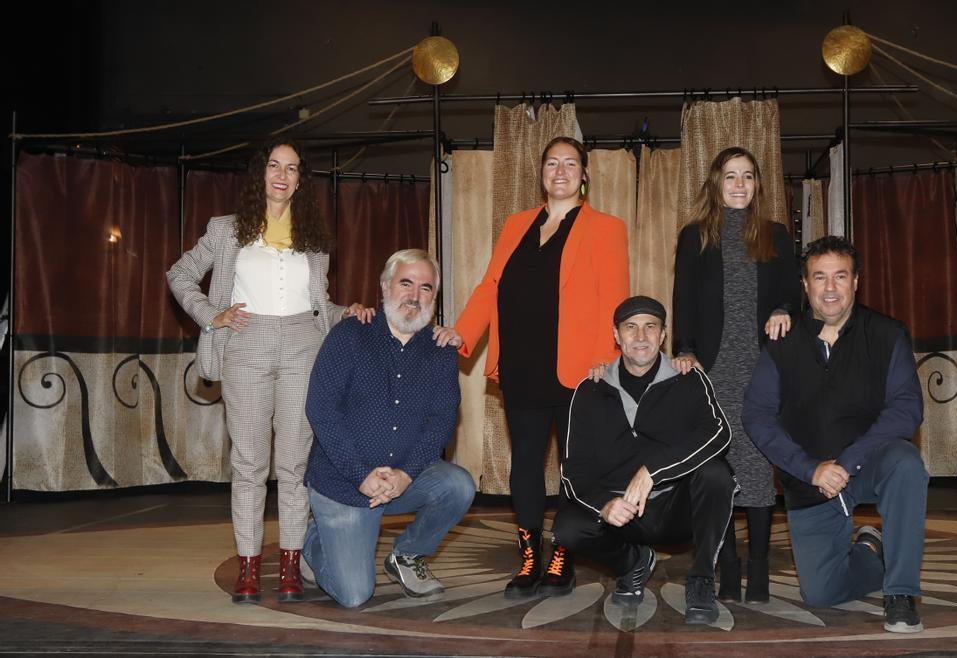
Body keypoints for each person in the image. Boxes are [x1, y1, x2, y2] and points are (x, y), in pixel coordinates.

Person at [166, 138, 372, 604]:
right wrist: (210, 313)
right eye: (275, 166)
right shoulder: (226, 229)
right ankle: (248, 567)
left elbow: (317, 307)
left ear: (301, 180)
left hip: (304, 346)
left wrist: (348, 312)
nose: (283, 175)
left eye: (293, 169)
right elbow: (179, 274)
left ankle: (290, 566)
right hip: (246, 344)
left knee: (294, 465)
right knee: (249, 463)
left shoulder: (313, 239)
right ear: (261, 174)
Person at [433, 136, 629, 599]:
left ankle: (563, 553)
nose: (560, 170)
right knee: (524, 466)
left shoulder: (606, 227)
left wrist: (612, 361)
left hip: (582, 371)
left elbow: (617, 298)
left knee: (572, 468)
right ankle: (528, 556)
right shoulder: (516, 224)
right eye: (551, 163)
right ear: (541, 173)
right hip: (521, 365)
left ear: (584, 175)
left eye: (570, 164)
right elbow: (490, 285)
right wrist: (463, 331)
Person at [742, 235, 928, 633]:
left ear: (856, 281)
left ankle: (901, 593)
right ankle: (872, 551)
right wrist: (810, 469)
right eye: (819, 277)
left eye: (840, 277)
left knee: (907, 465)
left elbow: (907, 409)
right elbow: (757, 416)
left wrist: (848, 460)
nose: (830, 289)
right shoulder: (781, 342)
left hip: (869, 464)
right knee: (821, 594)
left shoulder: (886, 334)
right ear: (805, 285)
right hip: (811, 479)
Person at [300, 249, 475, 608]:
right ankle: (316, 543)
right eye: (405, 283)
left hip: (399, 481)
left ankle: (408, 555)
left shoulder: (441, 350)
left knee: (458, 485)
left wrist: (406, 475)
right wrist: (361, 475)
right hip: (344, 484)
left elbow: (441, 420)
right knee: (354, 595)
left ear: (434, 297)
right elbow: (320, 410)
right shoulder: (349, 335)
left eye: (425, 288)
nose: (414, 296)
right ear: (384, 286)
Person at [554, 295, 735, 625]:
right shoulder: (589, 390)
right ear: (616, 335)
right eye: (631, 328)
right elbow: (573, 469)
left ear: (663, 335)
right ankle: (634, 563)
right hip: (622, 516)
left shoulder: (689, 379)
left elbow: (719, 433)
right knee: (567, 527)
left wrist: (654, 471)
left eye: (650, 327)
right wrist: (604, 505)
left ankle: (702, 580)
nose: (640, 337)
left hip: (675, 508)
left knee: (716, 474)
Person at [671, 146, 800, 603]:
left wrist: (785, 309)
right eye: (730, 176)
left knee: (759, 465)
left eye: (747, 176)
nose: (739, 184)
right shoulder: (694, 237)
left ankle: (759, 569)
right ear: (715, 183)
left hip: (763, 368)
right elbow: (682, 301)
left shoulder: (776, 235)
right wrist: (684, 351)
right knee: (721, 468)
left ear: (758, 186)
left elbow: (792, 295)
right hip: (713, 368)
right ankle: (727, 566)